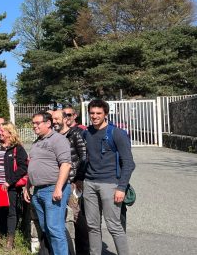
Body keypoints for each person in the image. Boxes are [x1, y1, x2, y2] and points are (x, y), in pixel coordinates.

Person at [84, 100, 135, 255]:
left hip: (110, 185)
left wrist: (121, 188)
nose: (94, 116)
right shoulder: (86, 133)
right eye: (92, 113)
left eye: (98, 113)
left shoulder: (117, 133)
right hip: (89, 184)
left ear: (105, 114)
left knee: (114, 226)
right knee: (92, 226)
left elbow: (128, 163)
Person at [22, 112, 72, 255]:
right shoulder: (37, 142)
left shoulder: (58, 139)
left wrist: (58, 188)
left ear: (48, 123)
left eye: (37, 123)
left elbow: (66, 165)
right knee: (46, 229)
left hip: (52, 189)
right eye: (33, 123)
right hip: (38, 191)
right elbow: (33, 165)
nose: (34, 126)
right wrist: (27, 186)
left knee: (55, 229)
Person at [0, 122, 28, 250]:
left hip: (10, 187)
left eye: (2, 131)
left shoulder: (17, 148)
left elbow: (23, 167)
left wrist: (9, 181)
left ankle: (10, 239)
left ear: (10, 132)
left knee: (11, 212)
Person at [53, 110, 89, 254]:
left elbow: (84, 156)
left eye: (57, 119)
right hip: (58, 182)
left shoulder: (75, 134)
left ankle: (83, 251)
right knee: (60, 218)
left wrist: (79, 177)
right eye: (52, 119)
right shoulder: (54, 136)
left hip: (73, 182)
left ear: (67, 119)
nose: (54, 121)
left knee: (78, 217)